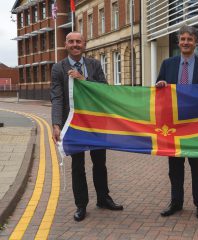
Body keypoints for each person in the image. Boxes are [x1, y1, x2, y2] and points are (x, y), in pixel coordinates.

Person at [51, 32, 123, 222]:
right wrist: (56, 124)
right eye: (71, 42)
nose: (75, 44)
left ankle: (103, 198)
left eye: (78, 42)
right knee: (78, 165)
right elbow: (57, 98)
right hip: (73, 124)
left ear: (84, 44)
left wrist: (83, 79)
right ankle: (81, 205)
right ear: (66, 44)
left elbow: (104, 89)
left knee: (100, 163)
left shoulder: (94, 65)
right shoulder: (58, 68)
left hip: (96, 122)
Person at [156, 25, 198, 220]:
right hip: (173, 125)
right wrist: (161, 85)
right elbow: (158, 91)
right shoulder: (168, 64)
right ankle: (176, 202)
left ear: (195, 42)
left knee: (197, 166)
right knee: (175, 168)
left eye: (189, 39)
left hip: (195, 126)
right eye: (183, 39)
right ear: (178, 42)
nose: (186, 42)